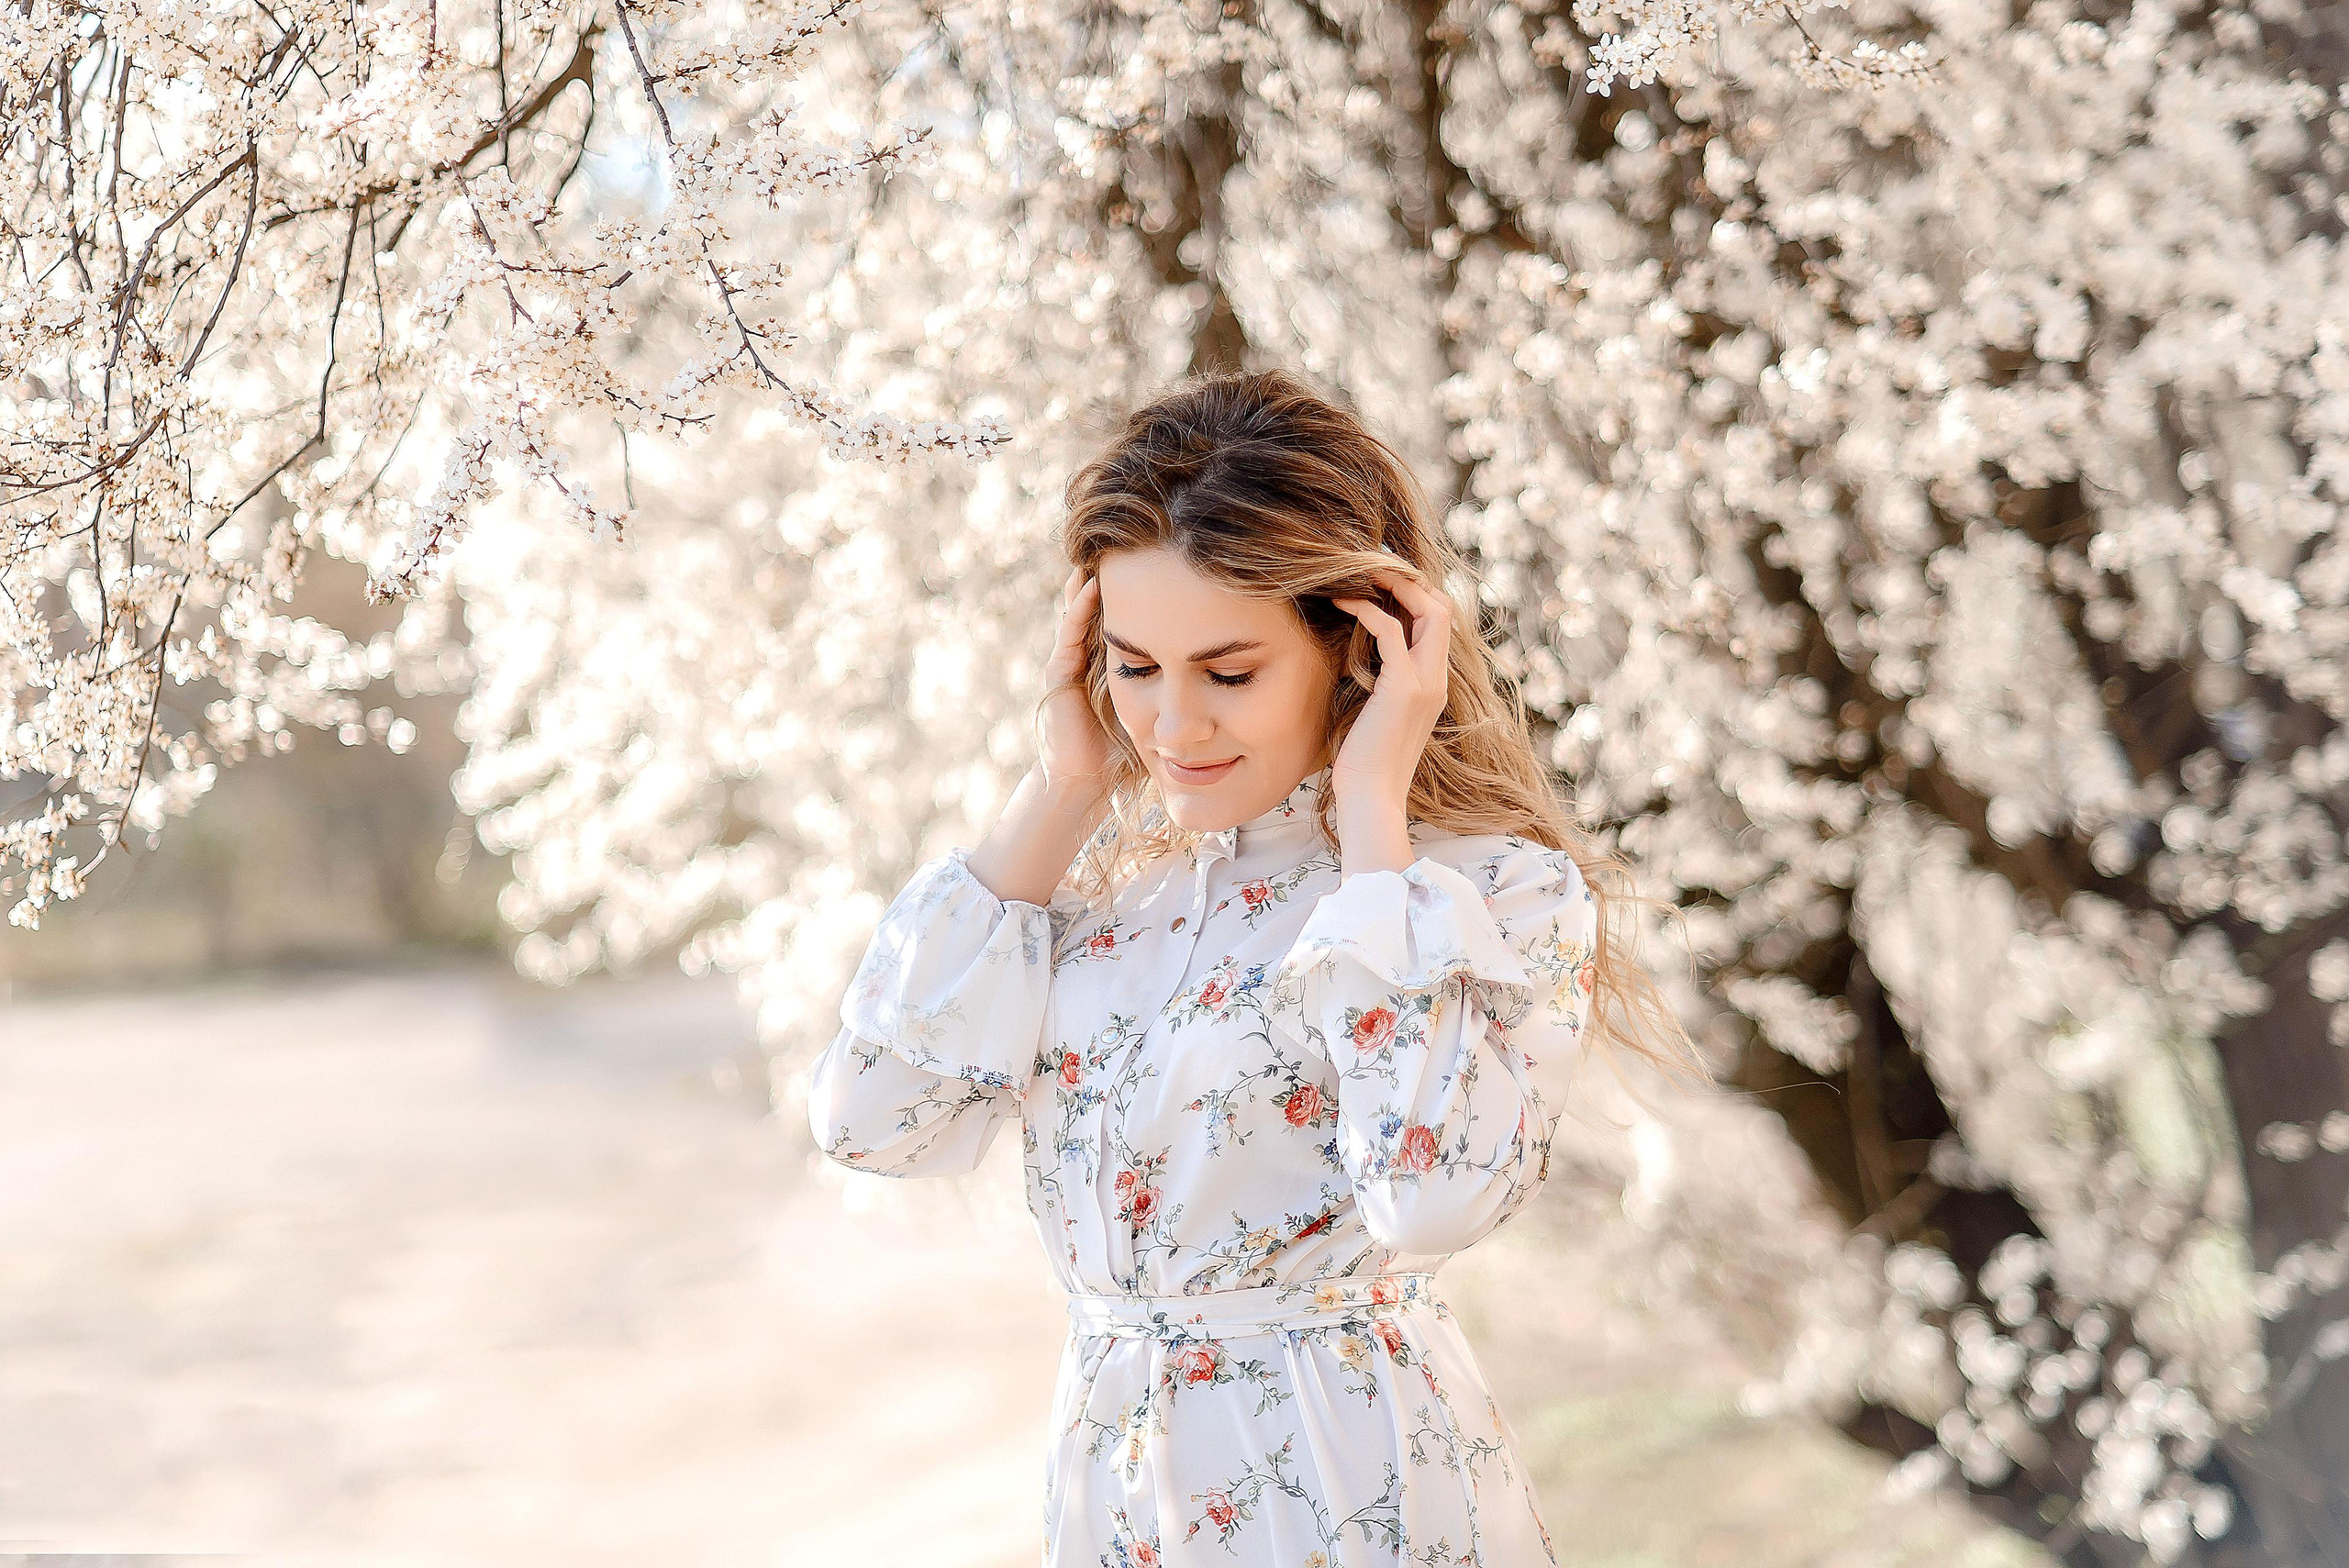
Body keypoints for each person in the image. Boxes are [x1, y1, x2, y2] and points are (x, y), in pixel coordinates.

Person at [807, 367, 1702, 1566]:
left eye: (1227, 672)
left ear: (1356, 646)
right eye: (1134, 665)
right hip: (1117, 1492)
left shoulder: (1480, 895)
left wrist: (1376, 817)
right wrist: (1062, 791)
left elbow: (1434, 1195)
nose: (1173, 726)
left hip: (1349, 1486)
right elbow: (872, 1121)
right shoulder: (1096, 903)